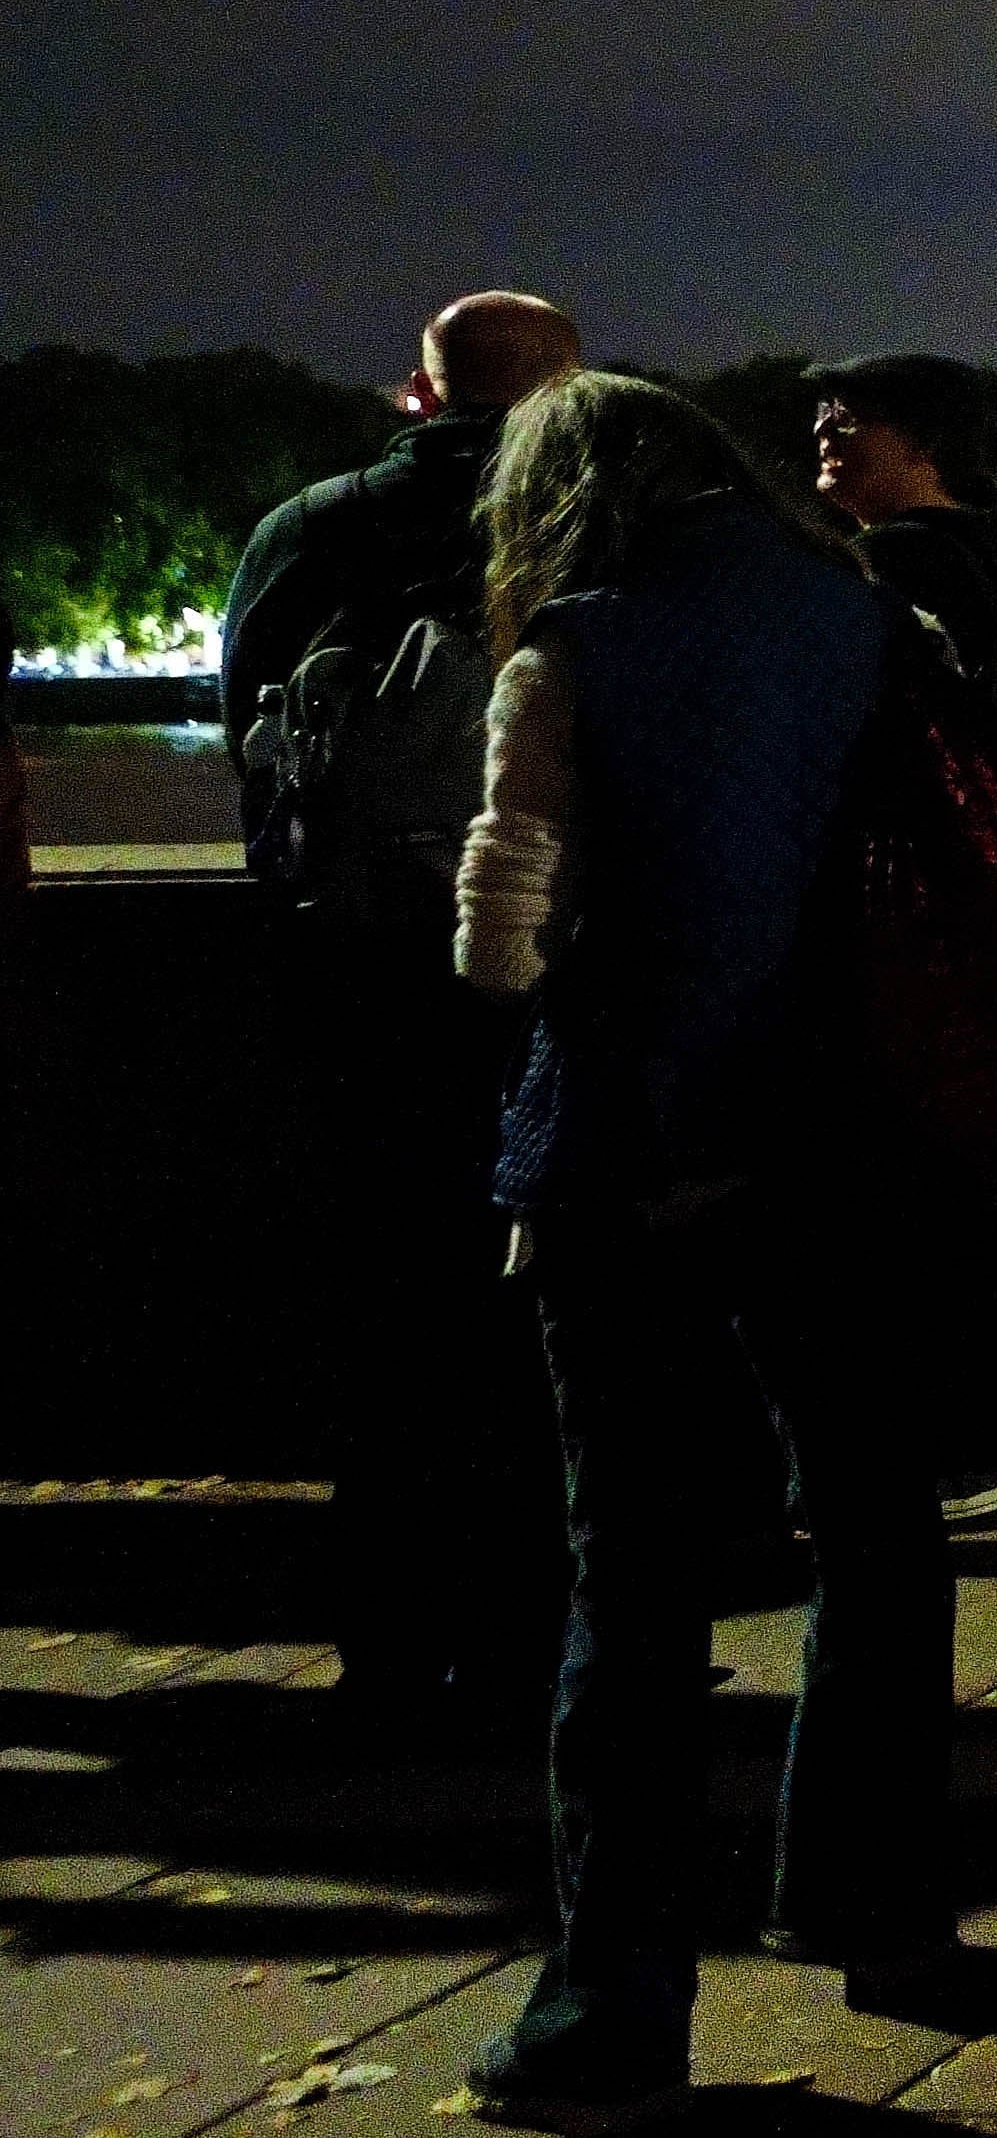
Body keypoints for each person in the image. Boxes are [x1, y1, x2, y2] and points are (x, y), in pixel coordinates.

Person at [439, 372, 937, 2124]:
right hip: (831, 1134)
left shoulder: (565, 645)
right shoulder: (853, 607)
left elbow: (499, 948)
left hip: (634, 1148)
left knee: (635, 1581)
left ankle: (613, 2006)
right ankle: (867, 1890)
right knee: (876, 1522)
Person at [223, 289, 587, 1739]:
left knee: (383, 1322)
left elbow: (255, 739)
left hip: (360, 978)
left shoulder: (306, 531)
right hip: (540, 978)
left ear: (418, 394)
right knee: (535, 1328)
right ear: (571, 391)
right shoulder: (591, 526)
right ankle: (527, 1643)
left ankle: (386, 1643)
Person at [812, 352, 997, 733]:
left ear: (923, 443)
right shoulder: (975, 553)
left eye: (847, 416)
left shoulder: (892, 560)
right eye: (824, 410)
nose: (822, 429)